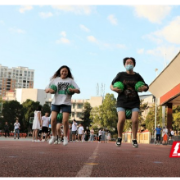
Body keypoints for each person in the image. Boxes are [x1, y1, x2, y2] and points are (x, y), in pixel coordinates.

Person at [110, 57, 149, 148]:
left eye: (131, 62)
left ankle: (134, 139)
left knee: (135, 120)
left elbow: (146, 86)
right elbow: (111, 85)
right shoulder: (120, 75)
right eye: (127, 63)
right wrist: (113, 89)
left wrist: (144, 88)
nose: (129, 64)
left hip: (134, 101)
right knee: (122, 119)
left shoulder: (137, 76)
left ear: (134, 65)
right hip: (122, 101)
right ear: (124, 65)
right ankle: (119, 137)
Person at [45, 65, 80, 146]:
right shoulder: (55, 80)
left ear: (68, 73)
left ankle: (65, 137)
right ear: (60, 72)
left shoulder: (70, 81)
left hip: (66, 103)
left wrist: (73, 90)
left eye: (66, 71)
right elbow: (46, 89)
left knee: (65, 121)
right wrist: (50, 90)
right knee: (53, 119)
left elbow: (78, 90)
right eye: (63, 71)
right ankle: (53, 136)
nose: (64, 72)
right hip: (56, 102)